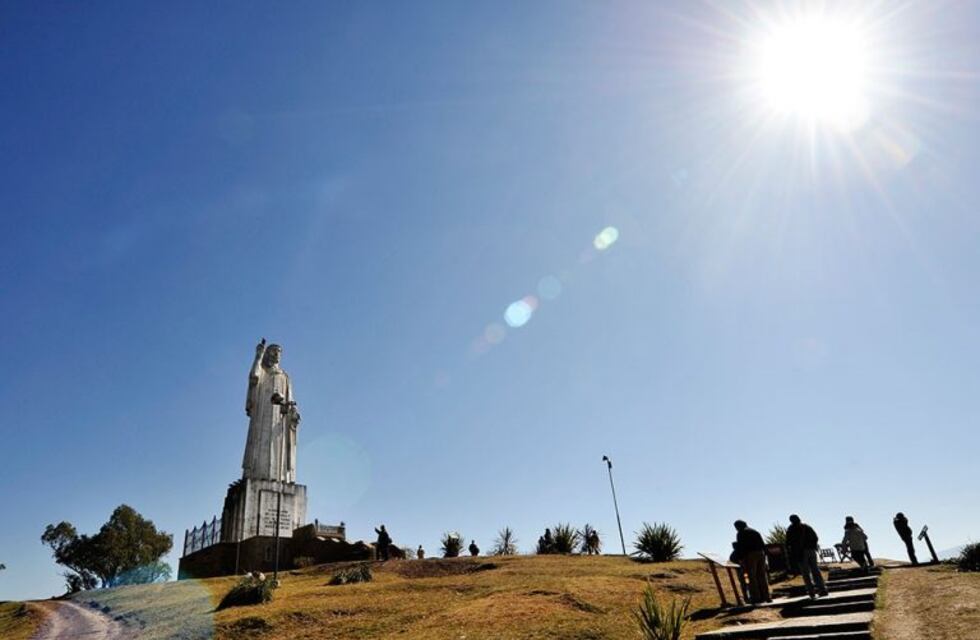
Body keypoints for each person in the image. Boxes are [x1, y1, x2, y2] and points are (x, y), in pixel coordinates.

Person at [786, 515, 828, 598]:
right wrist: (812, 546)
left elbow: (788, 543)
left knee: (806, 573)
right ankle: (822, 589)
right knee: (815, 570)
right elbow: (816, 537)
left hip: (800, 553)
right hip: (811, 550)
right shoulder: (806, 527)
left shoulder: (791, 530)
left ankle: (811, 591)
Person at [733, 520, 770, 604]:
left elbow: (742, 547)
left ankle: (756, 597)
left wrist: (741, 559)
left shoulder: (741, 533)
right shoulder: (755, 531)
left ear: (738, 526)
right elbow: (762, 544)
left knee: (751, 577)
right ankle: (766, 596)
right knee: (762, 576)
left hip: (750, 555)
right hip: (761, 553)